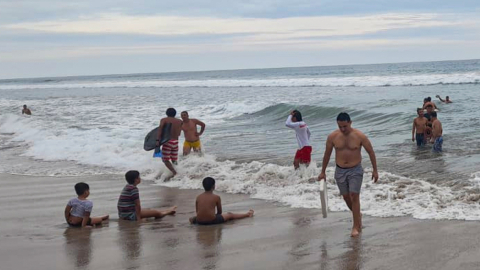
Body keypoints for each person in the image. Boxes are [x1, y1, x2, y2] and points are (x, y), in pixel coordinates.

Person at [317, 112, 378, 237]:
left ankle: (356, 226)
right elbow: (327, 154)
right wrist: (323, 171)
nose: (343, 129)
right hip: (340, 170)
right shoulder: (333, 137)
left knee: (354, 195)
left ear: (350, 122)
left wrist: (375, 170)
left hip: (355, 169)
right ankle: (357, 214)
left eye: (345, 126)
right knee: (346, 197)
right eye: (340, 127)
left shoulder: (360, 136)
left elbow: (371, 152)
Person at [189, 177, 254, 225]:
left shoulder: (198, 197)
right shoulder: (216, 197)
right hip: (211, 221)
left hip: (199, 221)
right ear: (214, 186)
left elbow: (197, 212)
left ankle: (194, 220)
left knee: (193, 218)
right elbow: (219, 212)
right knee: (230, 214)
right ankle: (247, 214)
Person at [156, 108, 183, 177]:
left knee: (165, 159)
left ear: (167, 113)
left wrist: (157, 140)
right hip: (176, 142)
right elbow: (179, 133)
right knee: (174, 159)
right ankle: (179, 171)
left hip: (167, 142)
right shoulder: (180, 121)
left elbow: (160, 130)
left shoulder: (164, 120)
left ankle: (174, 172)